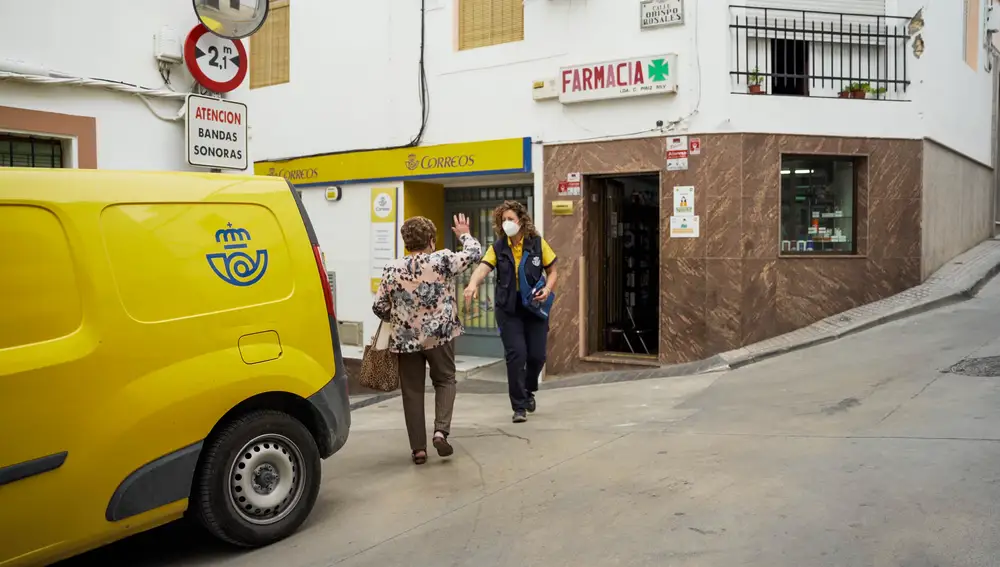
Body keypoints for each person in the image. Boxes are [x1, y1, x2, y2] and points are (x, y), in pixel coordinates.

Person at [372, 214, 482, 465]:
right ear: (431, 240)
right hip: (440, 337)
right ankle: (440, 432)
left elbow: (379, 307)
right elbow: (474, 252)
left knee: (412, 392)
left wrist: (401, 315)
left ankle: (418, 450)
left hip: (405, 341)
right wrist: (463, 233)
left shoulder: (392, 268)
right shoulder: (442, 260)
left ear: (406, 242)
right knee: (445, 380)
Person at [463, 200, 558, 423]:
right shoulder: (498, 247)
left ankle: (528, 388)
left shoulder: (536, 244)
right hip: (509, 308)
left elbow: (553, 270)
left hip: (534, 306)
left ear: (521, 221)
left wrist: (547, 288)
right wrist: (472, 284)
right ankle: (519, 406)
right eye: (503, 220)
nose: (506, 224)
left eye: (510, 219)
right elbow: (483, 267)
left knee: (537, 356)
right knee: (516, 356)